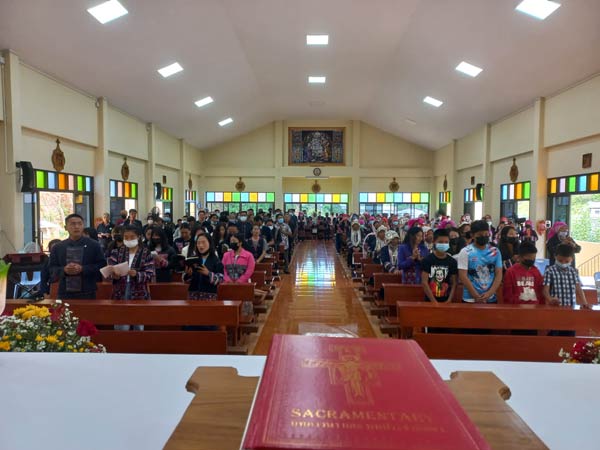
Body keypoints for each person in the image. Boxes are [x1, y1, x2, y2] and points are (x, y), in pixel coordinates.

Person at [48, 214, 106, 299]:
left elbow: (102, 265)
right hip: (64, 292)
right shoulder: (58, 247)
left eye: (80, 224)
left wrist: (83, 269)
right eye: (73, 224)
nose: (76, 226)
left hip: (88, 291)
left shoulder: (94, 245)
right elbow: (51, 269)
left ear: (83, 226)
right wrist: (64, 270)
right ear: (65, 227)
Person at [457, 220, 503, 303]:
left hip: (491, 298)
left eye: (486, 234)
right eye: (480, 235)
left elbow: (499, 274)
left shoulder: (495, 251)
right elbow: (462, 275)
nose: (484, 237)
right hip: (470, 298)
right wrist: (476, 296)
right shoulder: (465, 252)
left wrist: (489, 293)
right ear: (472, 235)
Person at [108, 225, 154, 301]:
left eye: (132, 237)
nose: (129, 240)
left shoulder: (146, 253)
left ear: (138, 237)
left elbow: (150, 273)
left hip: (139, 291)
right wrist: (114, 275)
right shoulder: (116, 252)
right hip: (119, 290)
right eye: (126, 237)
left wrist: (137, 274)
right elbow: (110, 270)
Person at [543, 244, 589, 308]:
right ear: (555, 256)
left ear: (572, 259)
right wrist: (550, 299)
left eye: (567, 261)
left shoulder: (573, 272)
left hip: (571, 307)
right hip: (555, 307)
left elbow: (578, 289)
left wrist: (585, 302)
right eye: (560, 260)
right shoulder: (550, 271)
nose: (563, 263)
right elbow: (545, 290)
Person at [421, 229, 458, 303]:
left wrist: (449, 300)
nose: (443, 244)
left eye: (446, 242)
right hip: (430, 301)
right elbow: (424, 282)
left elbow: (454, 283)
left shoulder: (452, 261)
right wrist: (434, 301)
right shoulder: (427, 260)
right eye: (440, 242)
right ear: (434, 242)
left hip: (446, 300)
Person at [183, 233, 223, 300]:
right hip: (193, 297)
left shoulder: (216, 261)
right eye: (198, 243)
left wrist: (208, 273)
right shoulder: (193, 259)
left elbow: (220, 279)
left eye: (203, 242)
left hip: (209, 298)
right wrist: (188, 275)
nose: (201, 245)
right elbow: (185, 281)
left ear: (210, 243)